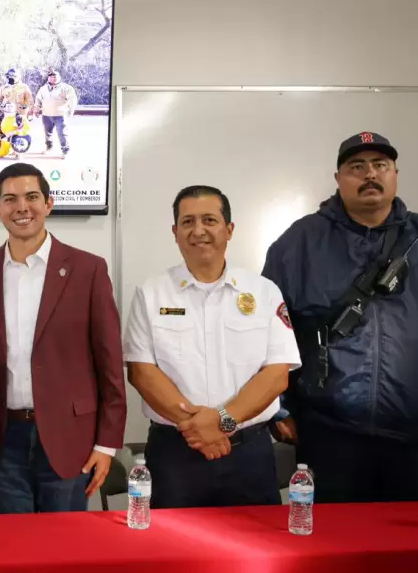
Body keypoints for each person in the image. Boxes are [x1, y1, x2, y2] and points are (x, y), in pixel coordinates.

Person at [262, 132, 418, 503]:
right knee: (334, 548)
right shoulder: (298, 243)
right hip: (330, 435)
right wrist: (278, 408)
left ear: (396, 174)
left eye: (380, 165)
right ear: (338, 179)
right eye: (357, 166)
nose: (369, 174)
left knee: (411, 551)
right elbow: (267, 332)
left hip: (417, 437)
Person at [0, 163, 126, 514]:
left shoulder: (88, 269)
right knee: (11, 550)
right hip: (3, 438)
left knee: (63, 551)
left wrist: (107, 444)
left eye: (32, 197)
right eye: (10, 199)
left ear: (49, 203)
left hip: (70, 438)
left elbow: (109, 360)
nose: (22, 207)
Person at [123, 185, 301, 509]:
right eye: (188, 222)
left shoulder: (264, 292)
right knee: (171, 552)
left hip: (248, 454)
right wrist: (198, 428)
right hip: (175, 454)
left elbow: (277, 374)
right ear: (175, 232)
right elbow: (141, 372)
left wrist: (221, 422)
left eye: (209, 220)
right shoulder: (150, 293)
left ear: (229, 230)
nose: (199, 230)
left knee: (257, 549)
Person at [34, 69, 78, 157]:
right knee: (47, 133)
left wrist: (67, 110)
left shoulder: (66, 88)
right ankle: (49, 147)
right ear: (48, 78)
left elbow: (72, 100)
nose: (53, 78)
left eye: (55, 76)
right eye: (51, 77)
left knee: (62, 133)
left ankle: (65, 150)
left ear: (59, 77)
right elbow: (38, 99)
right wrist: (37, 109)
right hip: (46, 115)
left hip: (60, 115)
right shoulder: (43, 89)